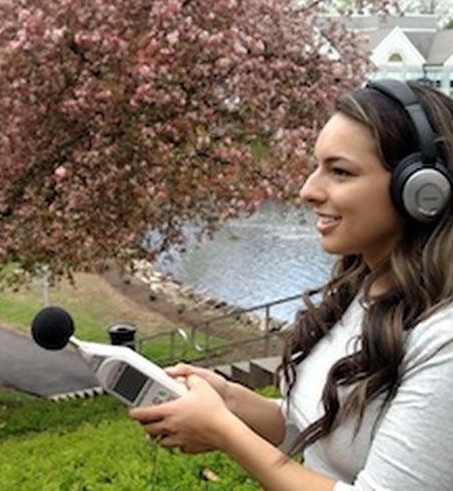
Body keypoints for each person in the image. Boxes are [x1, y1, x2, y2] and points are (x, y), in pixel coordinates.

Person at [130, 79, 453, 490]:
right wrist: (228, 400)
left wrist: (222, 432)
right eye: (316, 166)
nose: (307, 191)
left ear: (424, 190)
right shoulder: (364, 291)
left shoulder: (444, 338)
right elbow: (316, 430)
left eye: (340, 171)